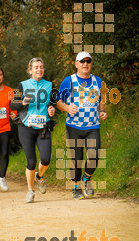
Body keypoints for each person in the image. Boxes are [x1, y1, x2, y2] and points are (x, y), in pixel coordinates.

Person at [56, 52, 107, 199]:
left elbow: (101, 100)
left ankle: (86, 178)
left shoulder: (98, 81)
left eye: (88, 61)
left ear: (91, 63)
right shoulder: (68, 81)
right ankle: (76, 187)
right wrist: (67, 108)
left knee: (94, 155)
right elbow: (58, 101)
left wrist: (102, 111)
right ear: (76, 63)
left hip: (93, 126)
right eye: (82, 61)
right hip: (74, 126)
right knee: (76, 158)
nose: (85, 64)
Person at [11, 57, 56, 203]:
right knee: (31, 162)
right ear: (30, 70)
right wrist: (23, 101)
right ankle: (30, 191)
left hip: (43, 127)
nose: (39, 69)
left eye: (41, 67)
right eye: (36, 67)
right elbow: (13, 104)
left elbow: (53, 104)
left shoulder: (50, 85)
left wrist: (51, 110)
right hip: (26, 128)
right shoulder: (22, 85)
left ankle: (40, 176)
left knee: (46, 159)